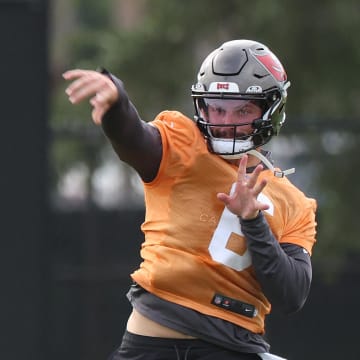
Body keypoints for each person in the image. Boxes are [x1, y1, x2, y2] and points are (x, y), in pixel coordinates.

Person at [64, 39, 317, 360]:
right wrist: (117, 101)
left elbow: (291, 295)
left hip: (234, 346)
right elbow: (133, 138)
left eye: (242, 109)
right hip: (153, 342)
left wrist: (253, 220)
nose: (225, 123)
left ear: (271, 110)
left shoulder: (294, 203)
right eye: (216, 107)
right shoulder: (183, 144)